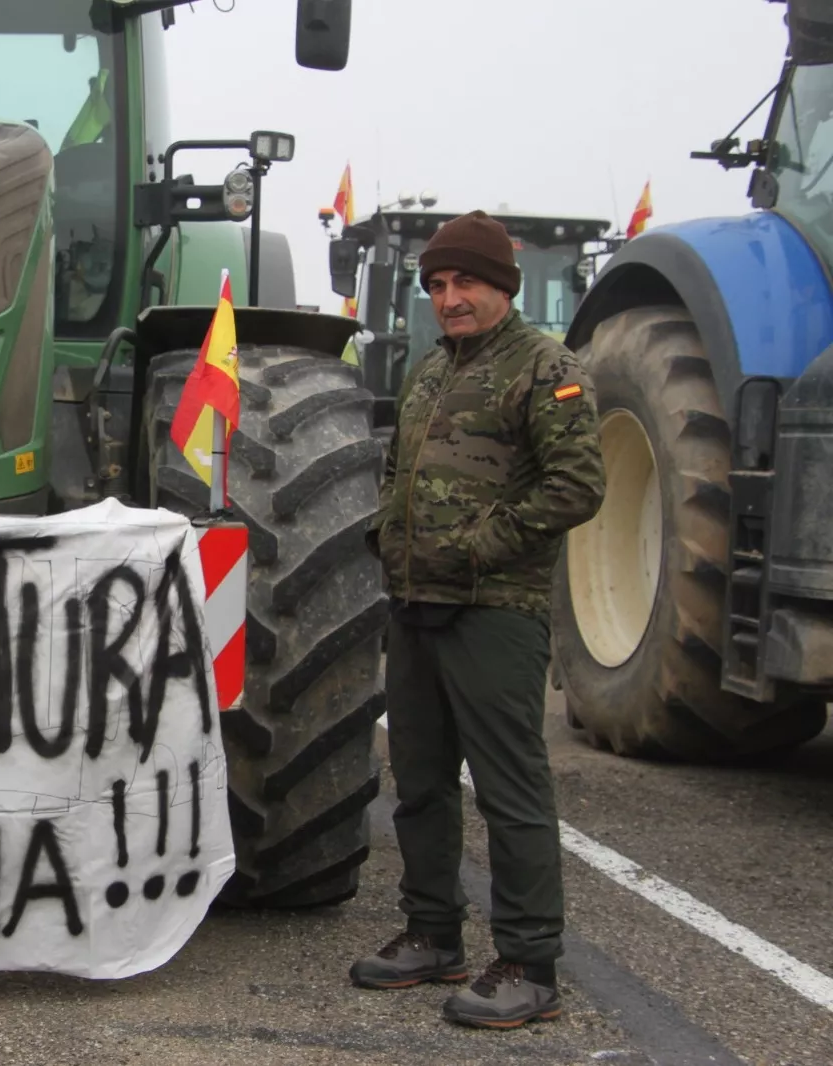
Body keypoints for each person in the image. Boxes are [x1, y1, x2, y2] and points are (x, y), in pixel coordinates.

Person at [351, 210, 606, 1029]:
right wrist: (387, 540)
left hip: (495, 608)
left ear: (502, 287)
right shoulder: (431, 369)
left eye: (465, 283)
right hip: (416, 604)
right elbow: (401, 474)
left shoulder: (545, 368)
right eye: (438, 285)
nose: (449, 298)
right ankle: (433, 933)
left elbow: (576, 486)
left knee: (509, 789)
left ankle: (530, 961)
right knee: (419, 783)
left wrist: (474, 548)